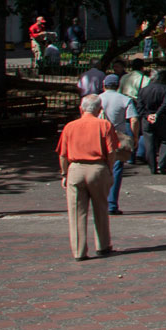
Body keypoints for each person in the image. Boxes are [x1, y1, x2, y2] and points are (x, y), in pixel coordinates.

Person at [56, 96, 120, 260]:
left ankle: (79, 251)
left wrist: (64, 174)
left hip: (76, 169)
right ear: (100, 110)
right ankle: (103, 245)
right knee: (101, 208)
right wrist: (109, 170)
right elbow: (112, 151)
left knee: (77, 212)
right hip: (98, 169)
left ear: (81, 109)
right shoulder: (104, 125)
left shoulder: (70, 127)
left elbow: (63, 155)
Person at [98, 74, 140, 215]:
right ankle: (111, 204)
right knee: (116, 169)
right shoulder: (125, 100)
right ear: (118, 86)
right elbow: (133, 120)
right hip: (117, 138)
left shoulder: (97, 99)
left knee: (98, 169)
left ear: (104, 85)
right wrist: (134, 137)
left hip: (99, 137)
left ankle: (98, 201)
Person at [136, 67, 166, 175]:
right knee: (165, 141)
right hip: (160, 118)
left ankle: (152, 167)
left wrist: (148, 116)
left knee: (149, 143)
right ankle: (162, 164)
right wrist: (157, 114)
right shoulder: (164, 88)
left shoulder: (143, 90)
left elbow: (140, 107)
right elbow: (165, 103)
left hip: (147, 119)